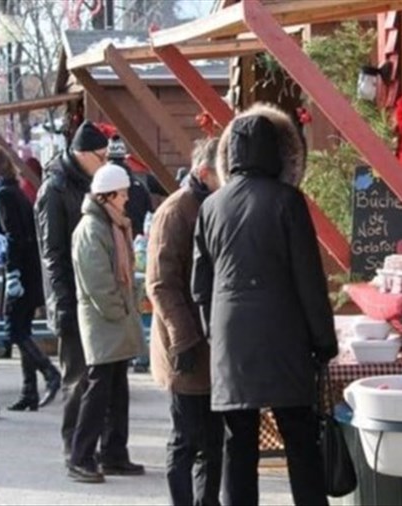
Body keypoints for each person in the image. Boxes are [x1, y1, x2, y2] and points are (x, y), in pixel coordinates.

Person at [191, 104, 338, 506]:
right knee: (299, 439)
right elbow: (308, 278)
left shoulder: (210, 207)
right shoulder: (288, 201)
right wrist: (324, 341)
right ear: (278, 152)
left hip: (230, 338)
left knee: (238, 444)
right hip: (283, 335)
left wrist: (214, 335)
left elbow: (199, 286)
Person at [36, 120, 144, 474]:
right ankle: (77, 453)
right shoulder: (55, 189)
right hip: (76, 300)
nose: (106, 161)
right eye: (101, 156)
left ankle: (111, 451)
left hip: (97, 298)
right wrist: (63, 305)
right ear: (83, 154)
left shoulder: (96, 189)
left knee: (110, 380)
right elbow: (52, 254)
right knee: (80, 380)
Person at [147, 137, 224, 506]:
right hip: (187, 349)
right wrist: (184, 339)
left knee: (212, 442)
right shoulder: (176, 211)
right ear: (204, 171)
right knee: (186, 439)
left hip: (209, 347)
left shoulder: (210, 205)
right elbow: (160, 284)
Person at [68, 163, 146, 483]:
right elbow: (98, 283)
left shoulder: (111, 224)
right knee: (99, 390)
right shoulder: (92, 229)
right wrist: (120, 311)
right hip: (104, 321)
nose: (127, 199)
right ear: (108, 195)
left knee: (115, 390)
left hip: (114, 319)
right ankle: (81, 456)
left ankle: (114, 453)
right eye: (123, 193)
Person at [0, 144, 61, 410]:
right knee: (22, 329)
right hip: (27, 270)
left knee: (14, 329)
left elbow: (14, 236)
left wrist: (13, 274)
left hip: (20, 273)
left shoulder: (3, 195)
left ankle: (49, 373)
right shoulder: (13, 191)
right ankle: (29, 392)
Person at [106, 133, 154, 233]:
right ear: (124, 158)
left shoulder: (101, 186)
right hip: (137, 242)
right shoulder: (140, 184)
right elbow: (149, 214)